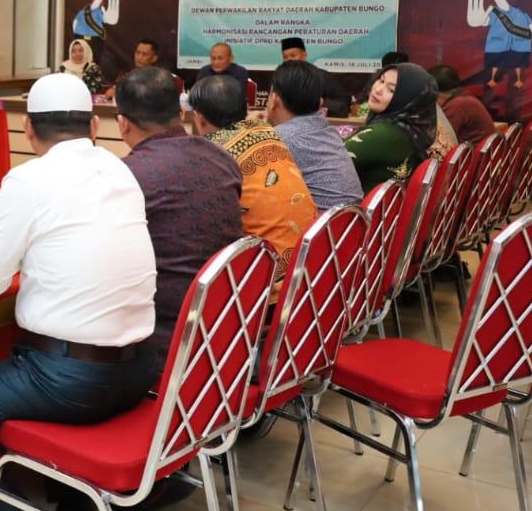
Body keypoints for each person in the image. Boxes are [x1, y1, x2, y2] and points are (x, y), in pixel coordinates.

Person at [0, 74, 160, 511]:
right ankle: (72, 505)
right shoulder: (120, 170)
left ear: (29, 135)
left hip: (71, 381)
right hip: (140, 370)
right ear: (96, 126)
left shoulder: (27, 179)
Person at [115, 67, 242, 355]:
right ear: (182, 113)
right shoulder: (223, 158)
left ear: (123, 124)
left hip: (161, 340)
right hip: (224, 327)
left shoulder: (126, 176)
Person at [188, 75, 316, 280]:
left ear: (199, 118)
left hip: (265, 285)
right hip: (309, 269)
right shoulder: (266, 130)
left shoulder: (212, 154)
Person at [268, 60, 364, 210]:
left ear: (274, 100)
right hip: (350, 226)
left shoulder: (279, 139)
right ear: (320, 103)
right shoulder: (328, 131)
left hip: (318, 230)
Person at [344, 63, 437, 188]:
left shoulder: (382, 135)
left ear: (407, 99)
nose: (378, 90)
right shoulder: (409, 130)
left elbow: (325, 165)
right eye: (381, 80)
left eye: (391, 89)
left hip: (356, 205)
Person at [279, 36, 350, 116]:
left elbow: (343, 105)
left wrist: (319, 102)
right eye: (285, 57)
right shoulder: (281, 80)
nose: (289, 60)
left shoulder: (321, 77)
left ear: (304, 56)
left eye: (293, 56)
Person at [430, 64, 496, 145]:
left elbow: (437, 140)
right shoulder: (463, 97)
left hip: (473, 156)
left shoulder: (456, 105)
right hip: (481, 153)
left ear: (436, 93)